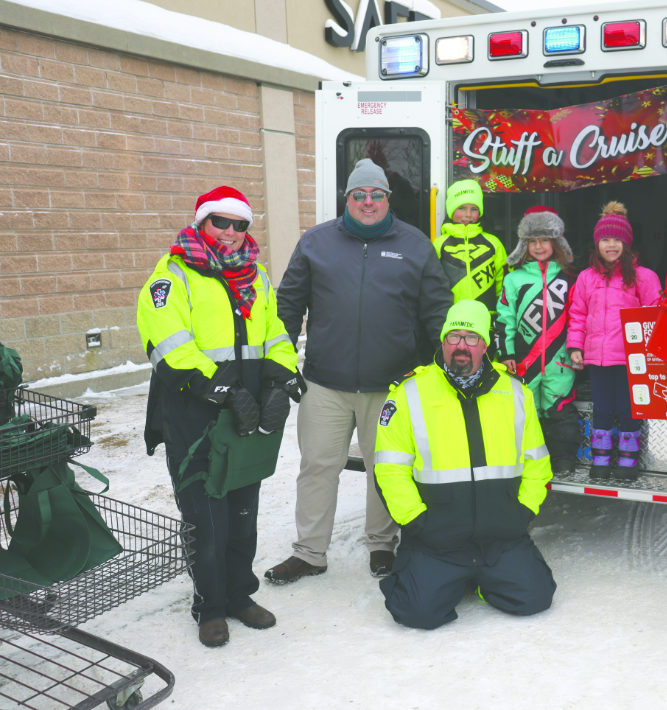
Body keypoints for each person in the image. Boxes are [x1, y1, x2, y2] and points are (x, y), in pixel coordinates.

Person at [267, 159, 453, 584]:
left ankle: (382, 545)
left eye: (376, 194)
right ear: (347, 198)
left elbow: (437, 310)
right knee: (317, 467)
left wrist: (444, 364)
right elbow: (288, 305)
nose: (368, 202)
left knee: (385, 467)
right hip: (324, 383)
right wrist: (279, 364)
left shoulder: (415, 244)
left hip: (392, 384)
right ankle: (309, 552)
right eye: (359, 194)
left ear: (387, 198)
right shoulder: (315, 243)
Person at [137, 186, 299, 647]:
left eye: (239, 224)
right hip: (195, 416)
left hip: (247, 417)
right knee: (206, 518)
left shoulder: (256, 276)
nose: (229, 231)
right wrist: (225, 390)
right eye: (220, 221)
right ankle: (209, 606)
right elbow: (168, 344)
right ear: (201, 222)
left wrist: (280, 380)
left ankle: (239, 595)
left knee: (243, 512)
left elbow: (275, 333)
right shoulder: (173, 276)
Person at [375, 300, 556, 629]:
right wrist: (418, 522)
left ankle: (479, 581)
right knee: (417, 613)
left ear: (484, 345)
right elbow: (390, 470)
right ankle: (453, 577)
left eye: (472, 337)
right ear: (442, 341)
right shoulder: (407, 393)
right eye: (453, 336)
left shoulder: (516, 392)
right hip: (437, 540)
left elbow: (537, 462)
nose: (461, 345)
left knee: (535, 598)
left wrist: (523, 513)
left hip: (500, 537)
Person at [566, 202, 661, 481]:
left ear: (627, 243)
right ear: (596, 244)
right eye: (605, 240)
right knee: (603, 408)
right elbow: (577, 314)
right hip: (598, 357)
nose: (611, 245)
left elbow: (654, 315)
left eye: (617, 240)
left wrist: (650, 351)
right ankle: (601, 457)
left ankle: (629, 458)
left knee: (629, 408)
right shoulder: (586, 278)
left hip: (632, 358)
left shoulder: (644, 277)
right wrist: (576, 346)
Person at [497, 206, 581, 474]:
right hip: (524, 362)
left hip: (561, 361)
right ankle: (528, 459)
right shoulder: (513, 279)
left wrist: (578, 348)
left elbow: (579, 317)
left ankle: (563, 458)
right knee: (525, 410)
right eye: (532, 241)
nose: (539, 246)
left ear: (557, 242)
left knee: (559, 409)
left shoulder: (571, 278)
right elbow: (504, 319)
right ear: (523, 244)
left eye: (545, 239)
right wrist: (506, 354)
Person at [433, 179, 508, 317]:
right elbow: (432, 285)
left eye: (474, 209)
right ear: (451, 210)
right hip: (451, 318)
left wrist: (500, 315)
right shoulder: (439, 244)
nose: (468, 214)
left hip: (486, 317)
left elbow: (503, 283)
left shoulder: (493, 243)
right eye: (461, 208)